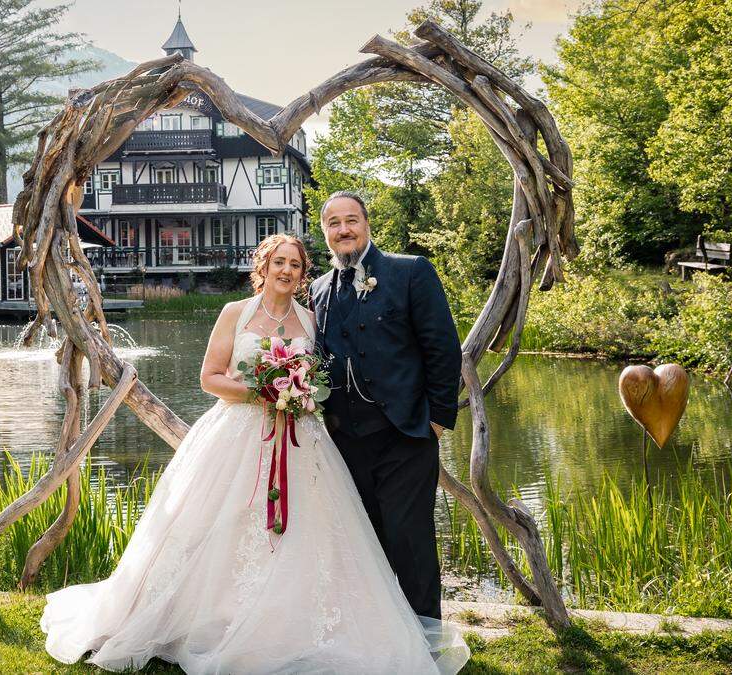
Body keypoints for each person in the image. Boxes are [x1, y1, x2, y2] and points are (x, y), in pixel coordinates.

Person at [40, 233, 469, 674]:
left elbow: (329, 372)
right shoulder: (234, 313)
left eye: (296, 265)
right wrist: (262, 390)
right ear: (263, 267)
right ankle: (209, 617)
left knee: (307, 531)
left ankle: (293, 622)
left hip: (301, 439)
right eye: (279, 262)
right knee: (226, 525)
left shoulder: (310, 320)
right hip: (238, 436)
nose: (286, 270)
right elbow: (209, 378)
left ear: (304, 275)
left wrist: (299, 392)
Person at [310, 191, 463, 621]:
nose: (344, 230)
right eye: (334, 223)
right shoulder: (319, 290)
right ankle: (379, 638)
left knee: (409, 540)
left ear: (367, 223)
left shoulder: (410, 272)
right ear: (325, 232)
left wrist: (437, 420)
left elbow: (443, 349)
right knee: (363, 544)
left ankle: (427, 637)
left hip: (405, 435)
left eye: (351, 220)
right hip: (345, 441)